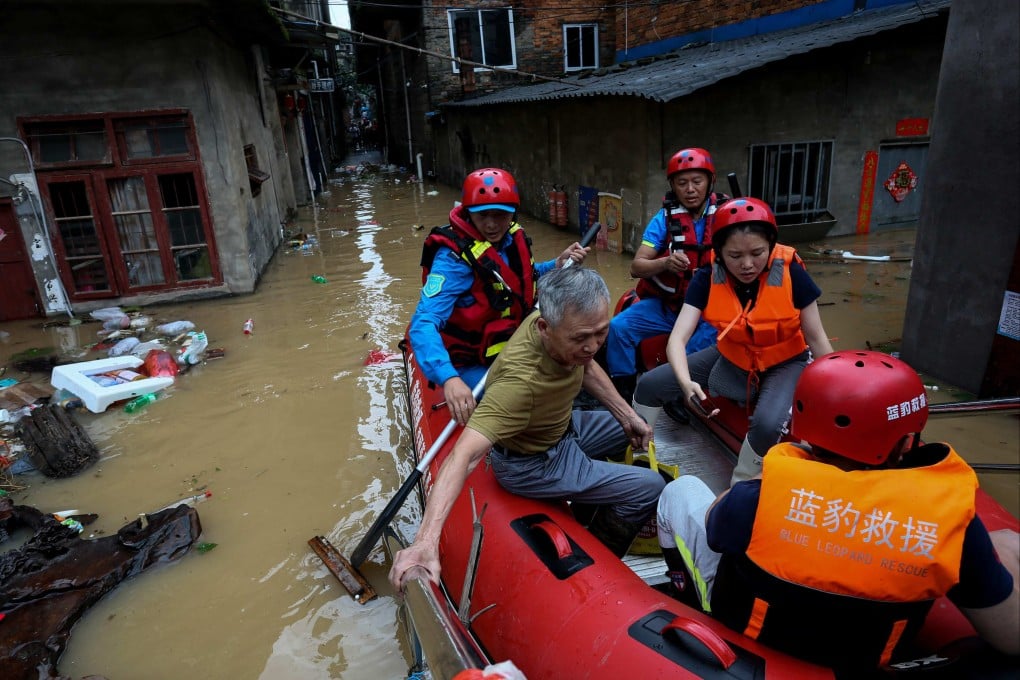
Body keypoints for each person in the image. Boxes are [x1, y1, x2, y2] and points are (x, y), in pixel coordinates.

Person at [654, 351, 1020, 672]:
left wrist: (767, 478)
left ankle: (686, 595)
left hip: (753, 638)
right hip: (863, 659)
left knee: (681, 490)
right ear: (907, 442)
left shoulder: (757, 497)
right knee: (1004, 543)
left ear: (802, 429)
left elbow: (715, 527)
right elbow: (1011, 640)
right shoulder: (951, 526)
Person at [390, 266, 665, 592]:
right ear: (544, 328)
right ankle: (601, 554)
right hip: (534, 462)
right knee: (649, 485)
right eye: (581, 338)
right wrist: (425, 540)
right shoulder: (519, 385)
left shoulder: (564, 331)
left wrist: (625, 415)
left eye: (601, 333)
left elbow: (586, 365)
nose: (593, 346)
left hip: (561, 425)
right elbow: (462, 457)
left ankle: (592, 495)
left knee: (633, 426)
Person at [633, 196, 833, 485]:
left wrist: (833, 392)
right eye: (735, 256)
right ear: (719, 252)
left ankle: (740, 485)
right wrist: (686, 383)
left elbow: (816, 337)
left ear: (772, 246)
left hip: (786, 361)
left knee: (766, 425)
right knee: (649, 385)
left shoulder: (791, 272)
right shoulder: (707, 276)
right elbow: (677, 339)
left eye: (757, 253)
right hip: (733, 354)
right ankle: (640, 459)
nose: (747, 265)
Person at [409, 168, 589, 426]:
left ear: (512, 213)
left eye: (500, 215)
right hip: (471, 362)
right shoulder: (452, 261)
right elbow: (423, 323)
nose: (492, 224)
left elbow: (521, 280)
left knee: (574, 361)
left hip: (513, 343)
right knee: (519, 400)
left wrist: (555, 265)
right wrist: (449, 379)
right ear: (469, 214)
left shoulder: (511, 238)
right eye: (483, 216)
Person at [604, 147, 727, 404]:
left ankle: (684, 398)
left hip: (710, 310)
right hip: (668, 306)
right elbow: (636, 266)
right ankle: (624, 395)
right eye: (682, 183)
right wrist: (665, 263)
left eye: (697, 181)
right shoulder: (664, 219)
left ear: (710, 182)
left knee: (694, 352)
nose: (690, 189)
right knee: (618, 328)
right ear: (673, 186)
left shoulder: (726, 216)